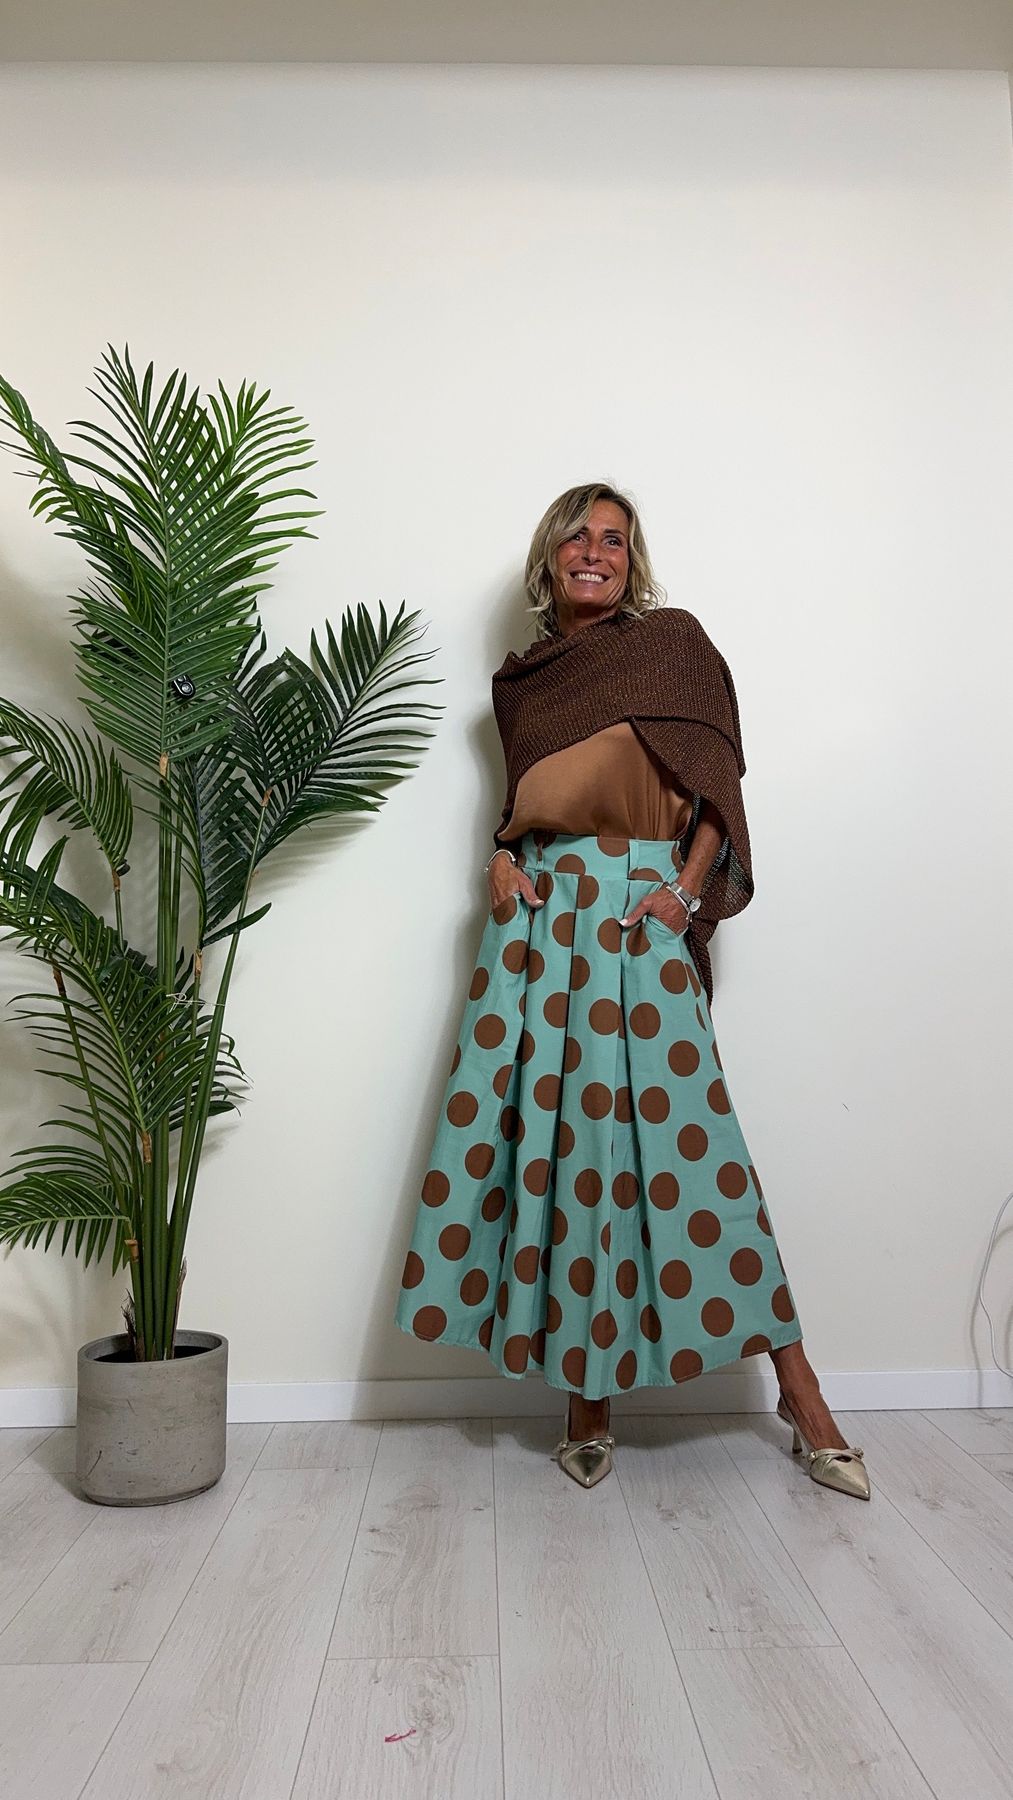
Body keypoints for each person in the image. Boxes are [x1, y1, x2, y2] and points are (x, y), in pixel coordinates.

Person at [395, 482, 869, 1501]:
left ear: (631, 560)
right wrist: (499, 862)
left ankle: (801, 1396)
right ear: (548, 556)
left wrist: (683, 891)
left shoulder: (671, 646)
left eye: (613, 540)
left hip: (637, 916)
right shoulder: (522, 682)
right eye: (577, 536)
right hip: (543, 921)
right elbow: (524, 807)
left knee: (700, 1155)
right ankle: (586, 1401)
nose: (594, 552)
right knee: (570, 1149)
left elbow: (717, 787)